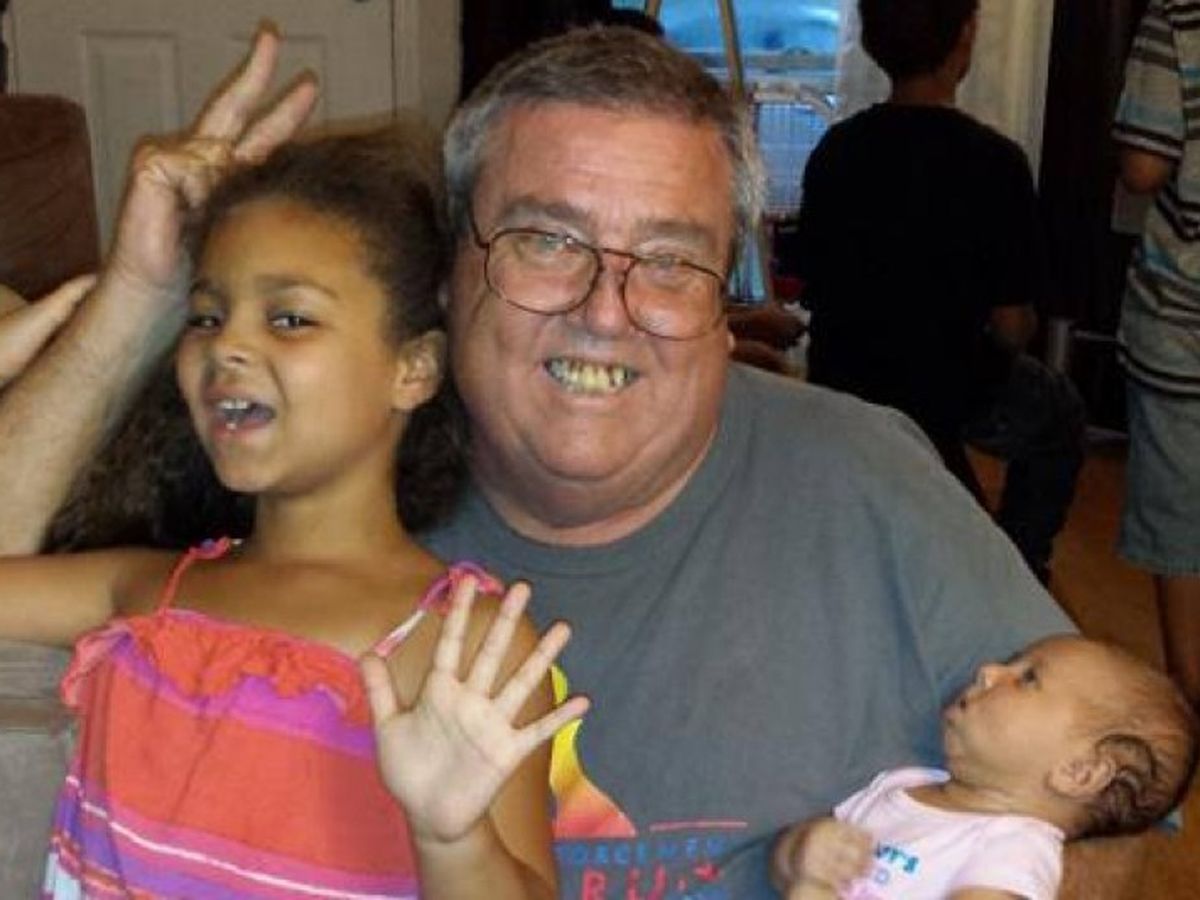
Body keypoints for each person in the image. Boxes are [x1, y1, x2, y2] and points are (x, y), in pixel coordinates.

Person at [2, 27, 1143, 900]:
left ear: (728, 298)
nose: (607, 308)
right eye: (547, 240)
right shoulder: (325, 454)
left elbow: (1116, 812)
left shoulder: (865, 475)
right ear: (447, 272)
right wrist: (138, 301)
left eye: (671, 260)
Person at [0, 126, 587, 898]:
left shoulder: (458, 644)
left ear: (414, 369)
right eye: (205, 317)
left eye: (290, 319)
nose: (227, 347)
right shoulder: (141, 592)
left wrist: (453, 835)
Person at [792, 0, 1085, 583]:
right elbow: (1012, 326)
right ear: (965, 37)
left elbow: (813, 284)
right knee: (1060, 416)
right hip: (950, 382)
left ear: (872, 42)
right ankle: (1017, 569)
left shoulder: (836, 150)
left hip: (843, 378)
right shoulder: (996, 162)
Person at [773, 635, 1199, 899]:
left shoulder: (1016, 846)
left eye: (1028, 678)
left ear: (1078, 772)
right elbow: (786, 872)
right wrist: (800, 851)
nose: (987, 671)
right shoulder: (899, 784)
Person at [1112, 0, 1200, 713]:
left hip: (1184, 319)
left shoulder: (1178, 18)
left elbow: (1143, 167)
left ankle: (1193, 689)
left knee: (1179, 512)